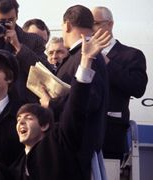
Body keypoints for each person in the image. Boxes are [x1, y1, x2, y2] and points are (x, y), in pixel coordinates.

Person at [10, 30, 111, 180]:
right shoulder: (17, 165)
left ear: (44, 125)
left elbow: (76, 107)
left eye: (29, 118)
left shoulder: (60, 144)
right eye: (18, 119)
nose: (21, 123)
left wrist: (85, 61)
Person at [51, 5, 109, 179]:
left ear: (67, 25)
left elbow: (90, 100)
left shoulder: (87, 58)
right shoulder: (75, 57)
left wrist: (51, 102)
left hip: (78, 151)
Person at [91, 6, 148, 161]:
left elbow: (138, 87)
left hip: (111, 134)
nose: (91, 28)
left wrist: (107, 62)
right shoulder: (82, 54)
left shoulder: (131, 55)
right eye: (88, 23)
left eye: (95, 23)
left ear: (110, 24)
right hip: (83, 132)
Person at [0, 0, 48, 103]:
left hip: (23, 104)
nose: (7, 24)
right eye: (1, 21)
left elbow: (45, 72)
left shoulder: (33, 41)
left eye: (11, 20)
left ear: (17, 17)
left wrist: (18, 46)